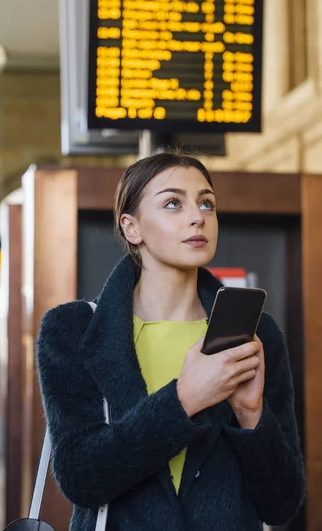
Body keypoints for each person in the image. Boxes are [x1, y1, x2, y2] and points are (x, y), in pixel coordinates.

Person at [36, 151, 306, 531]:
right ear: (132, 228)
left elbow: (281, 503)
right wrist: (184, 400)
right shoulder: (72, 330)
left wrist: (251, 417)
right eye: (173, 203)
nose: (198, 216)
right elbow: (81, 477)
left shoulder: (257, 335)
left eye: (207, 203)